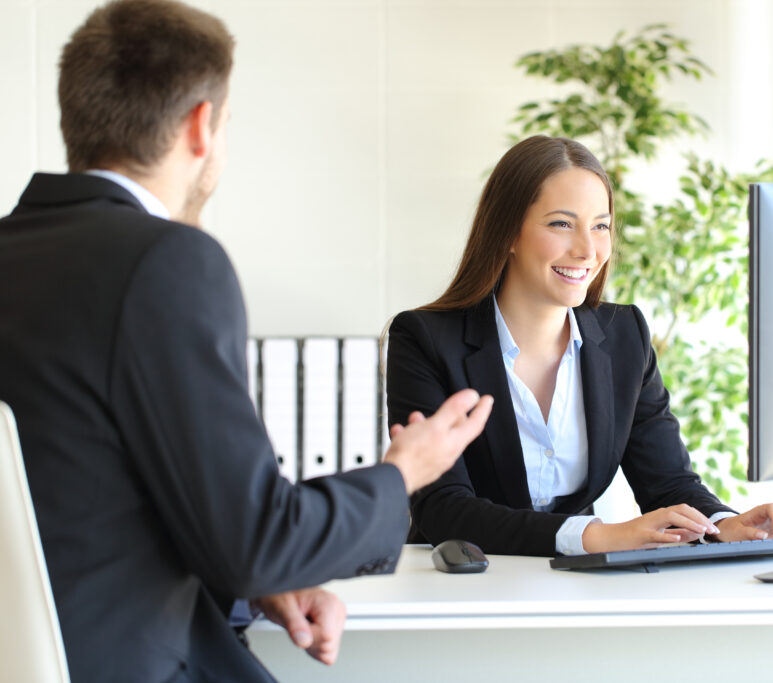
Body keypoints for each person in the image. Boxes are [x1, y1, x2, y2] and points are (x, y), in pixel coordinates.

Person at [0, 1, 492, 681]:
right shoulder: (166, 262)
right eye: (228, 123)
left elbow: (82, 499)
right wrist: (403, 472)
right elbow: (258, 540)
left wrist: (253, 578)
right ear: (202, 126)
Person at [386, 135, 773, 557]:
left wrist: (725, 526)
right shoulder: (425, 339)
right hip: (457, 588)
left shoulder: (624, 335)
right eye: (561, 224)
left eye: (600, 227)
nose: (587, 250)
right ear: (508, 233)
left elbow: (668, 483)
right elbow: (443, 508)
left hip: (576, 589)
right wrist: (597, 536)